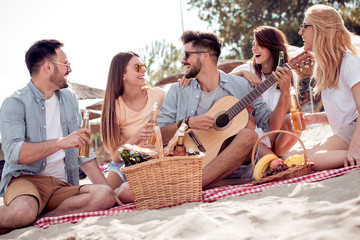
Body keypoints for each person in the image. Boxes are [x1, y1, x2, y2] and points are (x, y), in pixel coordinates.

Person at [0, 40, 117, 234]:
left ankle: (41, 219)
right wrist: (62, 143)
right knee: (22, 211)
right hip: (26, 181)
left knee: (104, 195)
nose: (69, 68)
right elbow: (14, 153)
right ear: (48, 67)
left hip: (62, 185)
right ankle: (29, 216)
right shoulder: (14, 103)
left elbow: (83, 152)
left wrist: (111, 194)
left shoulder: (69, 98)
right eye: (66, 63)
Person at [157, 30, 292, 189]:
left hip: (233, 165)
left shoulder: (241, 85)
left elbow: (271, 126)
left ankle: (192, 185)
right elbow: (159, 136)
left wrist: (284, 94)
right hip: (189, 164)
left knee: (249, 135)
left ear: (204, 56)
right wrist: (187, 123)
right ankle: (212, 183)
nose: (182, 60)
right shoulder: (178, 90)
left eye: (187, 55)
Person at [284, 4, 360, 170]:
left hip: (356, 131)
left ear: (321, 29)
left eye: (304, 26)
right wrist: (316, 118)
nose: (300, 32)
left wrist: (355, 148)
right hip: (348, 131)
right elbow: (345, 110)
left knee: (312, 159)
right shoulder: (328, 68)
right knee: (292, 156)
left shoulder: (350, 63)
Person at [100, 51, 166, 202]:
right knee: (106, 196)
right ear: (122, 74)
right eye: (137, 67)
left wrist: (185, 83)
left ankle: (124, 190)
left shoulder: (158, 94)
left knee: (126, 193)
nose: (143, 70)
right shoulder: (114, 107)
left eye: (143, 66)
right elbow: (116, 157)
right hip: (125, 161)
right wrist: (137, 136)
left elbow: (179, 107)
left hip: (152, 160)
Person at [230, 26, 300, 158]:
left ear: (272, 47)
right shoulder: (247, 69)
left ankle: (275, 155)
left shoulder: (289, 75)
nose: (254, 48)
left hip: (275, 133)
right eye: (253, 44)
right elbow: (222, 82)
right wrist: (242, 73)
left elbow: (289, 111)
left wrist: (286, 92)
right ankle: (271, 159)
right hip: (251, 133)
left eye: (259, 45)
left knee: (294, 120)